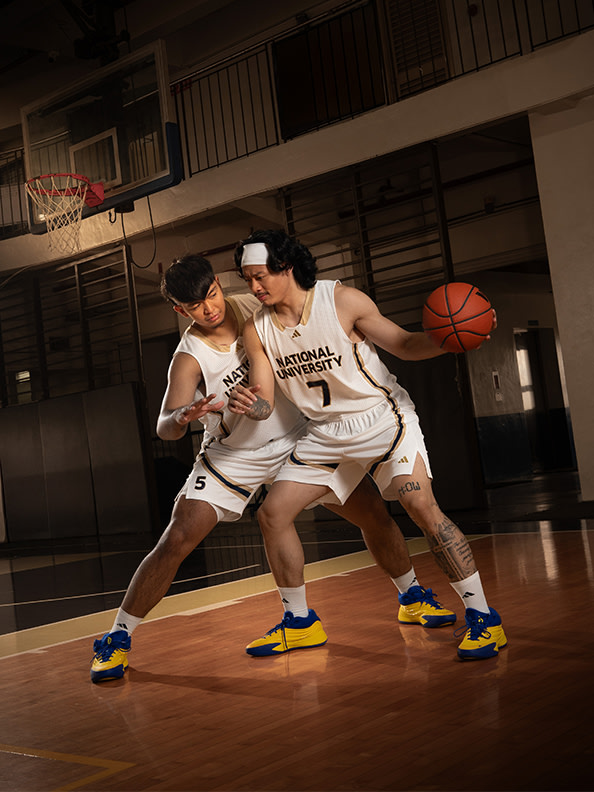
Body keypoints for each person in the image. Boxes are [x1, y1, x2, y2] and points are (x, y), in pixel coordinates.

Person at [90, 254, 454, 681]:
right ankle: (117, 638)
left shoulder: (254, 307)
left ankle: (411, 597)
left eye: (211, 295)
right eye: (195, 307)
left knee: (371, 512)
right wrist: (183, 416)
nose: (209, 309)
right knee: (178, 537)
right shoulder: (187, 358)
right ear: (180, 311)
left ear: (218, 285)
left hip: (300, 435)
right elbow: (164, 426)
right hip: (235, 453)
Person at [229, 229, 507, 661]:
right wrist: (253, 405)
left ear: (286, 267)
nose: (254, 287)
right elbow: (264, 398)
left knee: (420, 507)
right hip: (326, 432)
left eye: (260, 276)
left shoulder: (341, 301)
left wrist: (450, 337)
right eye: (247, 279)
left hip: (382, 419)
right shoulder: (257, 328)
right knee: (273, 513)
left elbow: (403, 343)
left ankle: (483, 618)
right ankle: (300, 623)